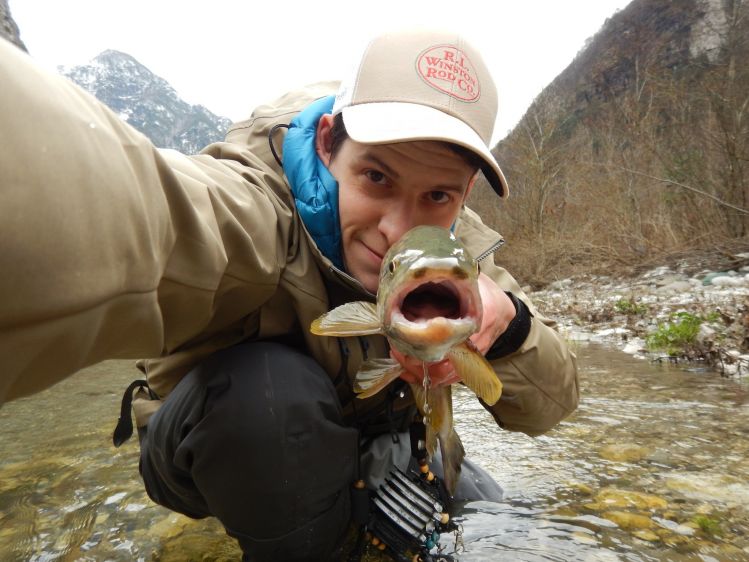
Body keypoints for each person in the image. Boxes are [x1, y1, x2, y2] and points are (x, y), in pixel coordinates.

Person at [0, 29, 578, 561]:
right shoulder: (257, 207)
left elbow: (552, 405)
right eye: (376, 178)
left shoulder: (458, 252)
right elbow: (160, 218)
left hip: (377, 444)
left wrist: (511, 328)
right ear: (327, 144)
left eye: (437, 195)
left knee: (498, 519)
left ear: (465, 189)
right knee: (269, 393)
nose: (399, 228)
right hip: (222, 442)